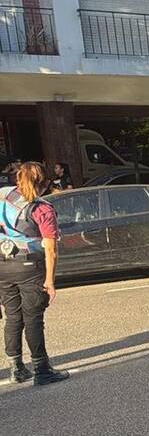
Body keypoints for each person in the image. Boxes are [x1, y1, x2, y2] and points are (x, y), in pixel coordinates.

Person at [0, 162, 69, 385]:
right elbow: (50, 249)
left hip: (3, 265)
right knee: (33, 319)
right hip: (30, 267)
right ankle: (42, 369)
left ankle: (16, 368)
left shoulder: (3, 197)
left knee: (13, 317)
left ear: (17, 179)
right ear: (45, 183)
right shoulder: (42, 209)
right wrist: (50, 280)